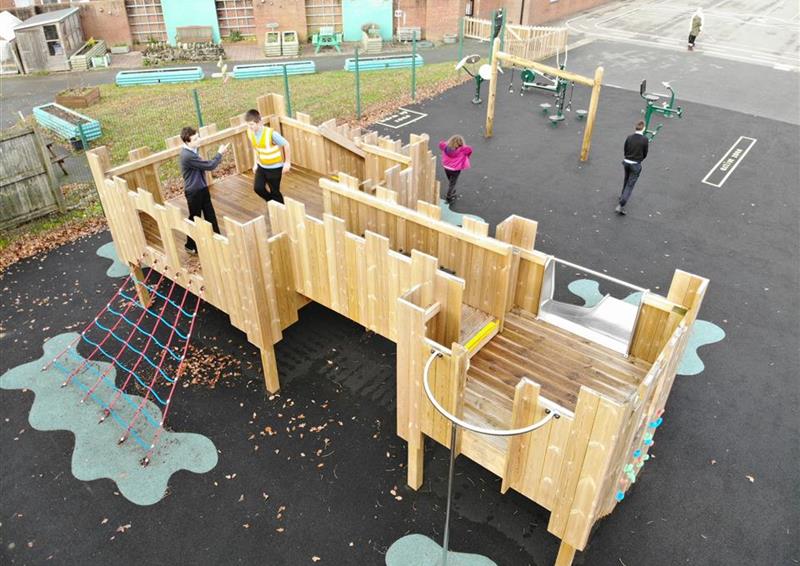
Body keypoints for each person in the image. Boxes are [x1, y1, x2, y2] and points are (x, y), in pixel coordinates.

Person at [179, 126, 229, 253]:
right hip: (193, 192)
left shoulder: (193, 149)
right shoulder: (187, 156)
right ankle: (190, 245)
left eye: (198, 137)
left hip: (202, 188)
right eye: (195, 139)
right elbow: (210, 166)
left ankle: (217, 240)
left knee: (210, 215)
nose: (198, 140)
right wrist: (219, 153)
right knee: (194, 218)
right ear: (187, 142)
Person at [244, 109, 291, 205]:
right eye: (248, 124)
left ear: (259, 122)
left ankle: (281, 210)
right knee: (258, 188)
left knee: (275, 192)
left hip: (275, 168)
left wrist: (287, 163)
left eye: (252, 124)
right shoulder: (250, 132)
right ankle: (272, 203)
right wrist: (255, 163)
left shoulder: (271, 134)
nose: (250, 127)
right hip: (261, 166)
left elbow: (286, 144)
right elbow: (255, 148)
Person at [616, 120, 649, 215]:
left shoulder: (629, 137)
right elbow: (645, 153)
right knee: (630, 185)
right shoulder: (645, 139)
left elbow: (625, 149)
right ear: (643, 128)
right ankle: (621, 204)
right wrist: (639, 159)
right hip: (635, 164)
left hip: (626, 162)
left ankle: (622, 195)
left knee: (626, 180)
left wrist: (627, 157)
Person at [438, 135, 473, 205]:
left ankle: (451, 191)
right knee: (452, 183)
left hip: (446, 167)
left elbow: (441, 143)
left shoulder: (445, 147)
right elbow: (469, 150)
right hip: (455, 169)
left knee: (450, 180)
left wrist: (448, 143)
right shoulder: (463, 150)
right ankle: (449, 196)